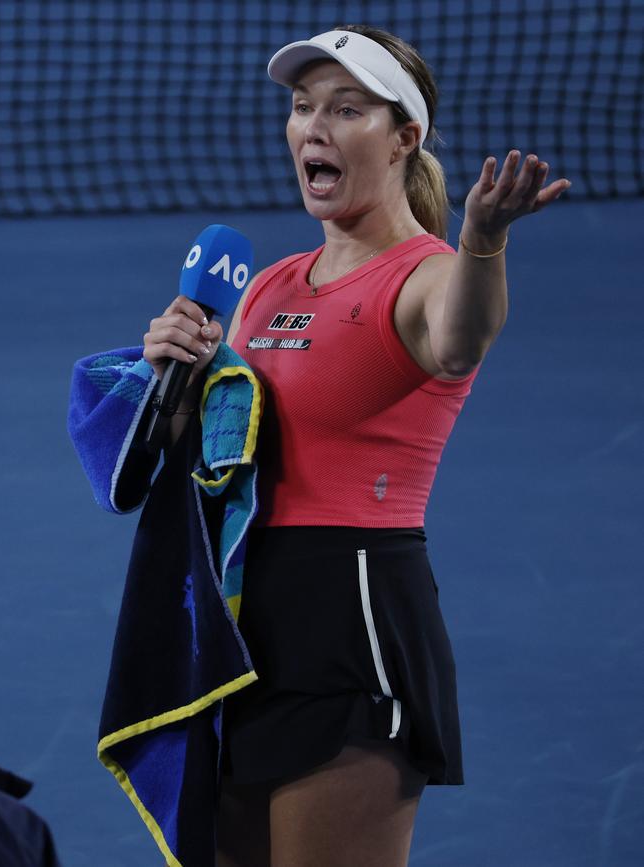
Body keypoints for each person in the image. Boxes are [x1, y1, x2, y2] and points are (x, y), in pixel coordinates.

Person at [142, 24, 571, 867]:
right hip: (240, 625)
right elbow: (217, 458)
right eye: (303, 108)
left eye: (347, 109)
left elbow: (458, 342)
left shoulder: (429, 274)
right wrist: (177, 377)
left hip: (356, 614)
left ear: (404, 137)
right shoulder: (267, 286)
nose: (314, 128)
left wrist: (484, 241)